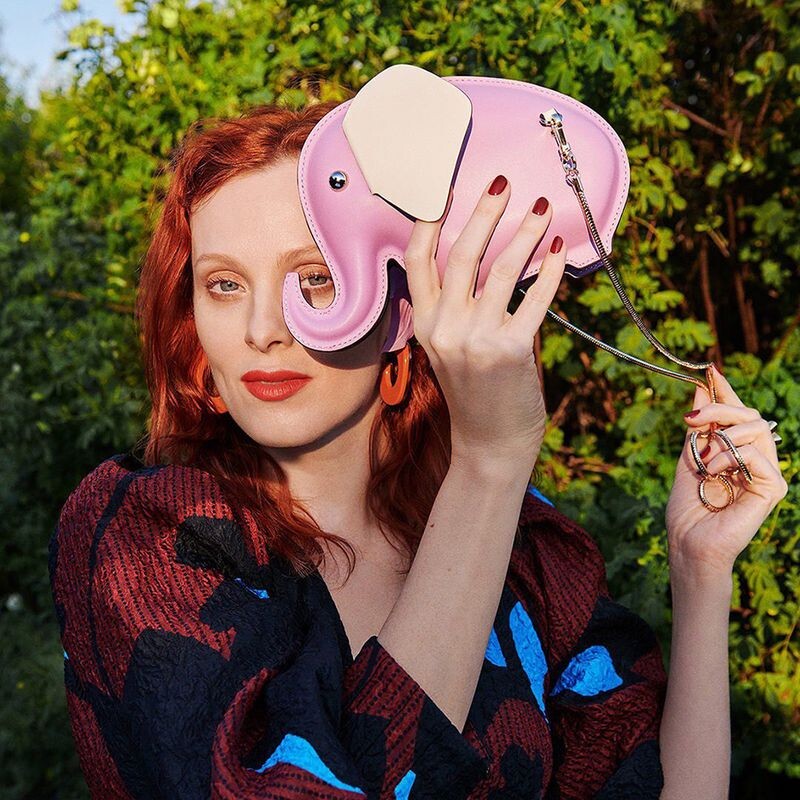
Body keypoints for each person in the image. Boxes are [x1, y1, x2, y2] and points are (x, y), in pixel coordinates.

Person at [48, 100, 788, 800]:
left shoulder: (527, 555)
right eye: (223, 285)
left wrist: (700, 570)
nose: (262, 330)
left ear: (404, 301)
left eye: (316, 277)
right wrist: (490, 461)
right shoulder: (141, 540)